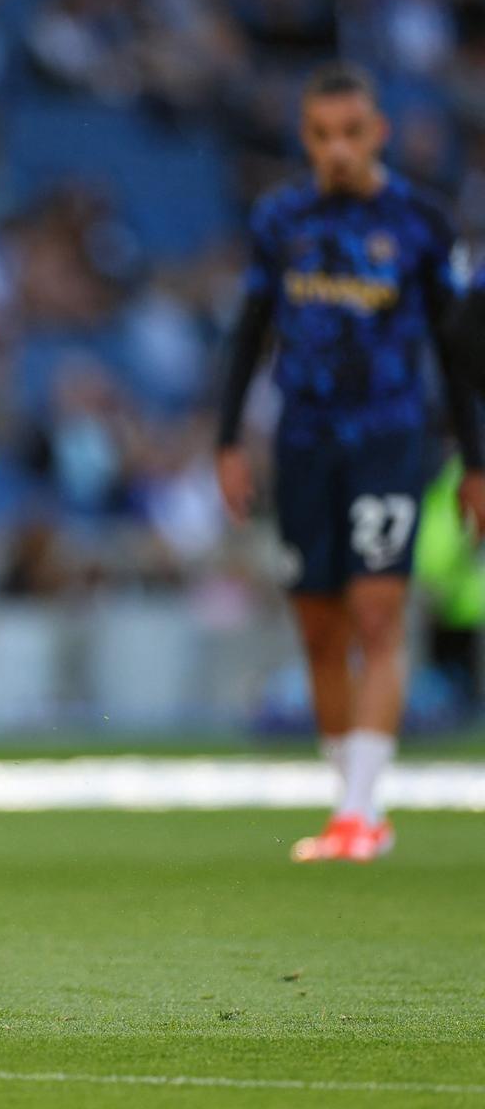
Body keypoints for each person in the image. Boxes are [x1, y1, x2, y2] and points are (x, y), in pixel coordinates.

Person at [215, 62, 485, 863]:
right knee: (319, 625)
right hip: (302, 442)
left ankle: (363, 808)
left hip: (392, 438)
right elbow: (248, 334)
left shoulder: (420, 223)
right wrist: (228, 441)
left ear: (379, 134)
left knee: (377, 611)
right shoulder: (280, 221)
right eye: (322, 135)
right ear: (306, 137)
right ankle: (351, 802)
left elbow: (458, 350)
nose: (336, 149)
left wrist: (476, 461)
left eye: (351, 133)